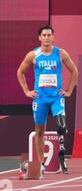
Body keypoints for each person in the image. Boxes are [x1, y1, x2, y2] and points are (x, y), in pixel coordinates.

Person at [17, 25, 78, 176]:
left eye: (49, 35)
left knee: (61, 126)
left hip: (56, 97)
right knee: (39, 131)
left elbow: (74, 70)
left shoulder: (60, 53)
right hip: (40, 99)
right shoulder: (33, 55)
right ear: (39, 38)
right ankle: (41, 164)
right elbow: (20, 72)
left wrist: (69, 90)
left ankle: (62, 157)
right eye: (44, 35)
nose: (46, 38)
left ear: (53, 37)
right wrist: (27, 91)